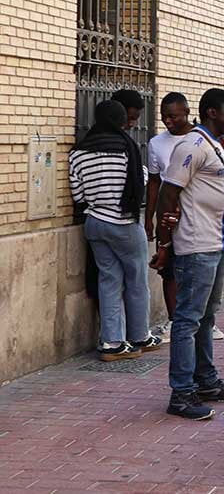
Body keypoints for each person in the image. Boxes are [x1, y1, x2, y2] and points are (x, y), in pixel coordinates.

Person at [152, 88, 224, 421]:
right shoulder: (190, 146)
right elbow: (167, 192)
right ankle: (181, 393)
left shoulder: (214, 144)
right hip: (196, 244)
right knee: (188, 320)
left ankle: (206, 381)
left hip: (216, 242)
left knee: (207, 316)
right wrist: (164, 242)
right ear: (210, 113)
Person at [69, 100, 160, 362]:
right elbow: (139, 182)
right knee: (137, 280)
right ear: (121, 121)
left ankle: (112, 343)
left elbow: (78, 194)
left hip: (95, 222)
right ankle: (140, 335)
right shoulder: (126, 149)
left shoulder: (78, 152)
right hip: (124, 224)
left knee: (108, 280)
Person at [145, 93, 191, 343]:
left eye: (173, 116)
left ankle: (203, 321)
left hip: (193, 215)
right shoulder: (156, 143)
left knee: (195, 269)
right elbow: (153, 183)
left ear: (186, 111)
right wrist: (149, 218)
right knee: (167, 268)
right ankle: (174, 321)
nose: (168, 121)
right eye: (164, 117)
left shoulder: (200, 139)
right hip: (166, 215)